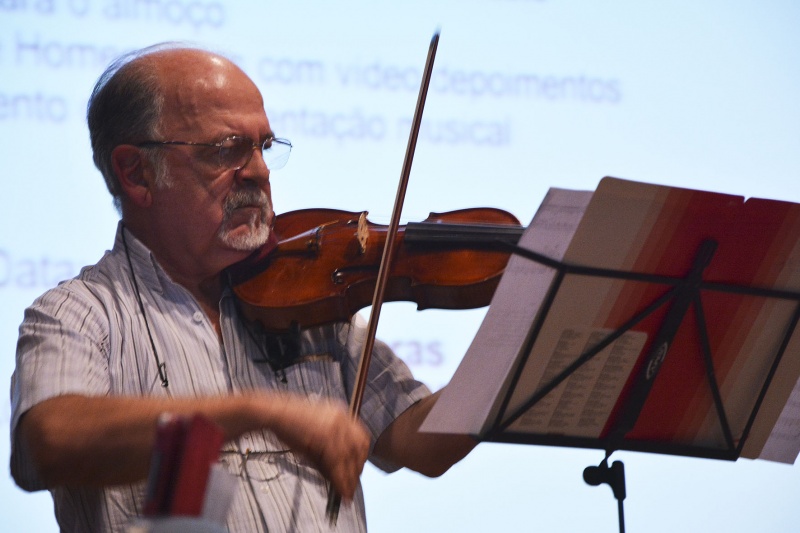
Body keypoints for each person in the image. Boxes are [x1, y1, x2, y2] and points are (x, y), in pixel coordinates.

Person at [10, 44, 475, 532]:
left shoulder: (301, 296)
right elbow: (46, 446)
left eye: (263, 146)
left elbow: (418, 440)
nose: (259, 170)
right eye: (226, 149)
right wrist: (257, 411)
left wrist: (523, 333)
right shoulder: (79, 313)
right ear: (136, 172)